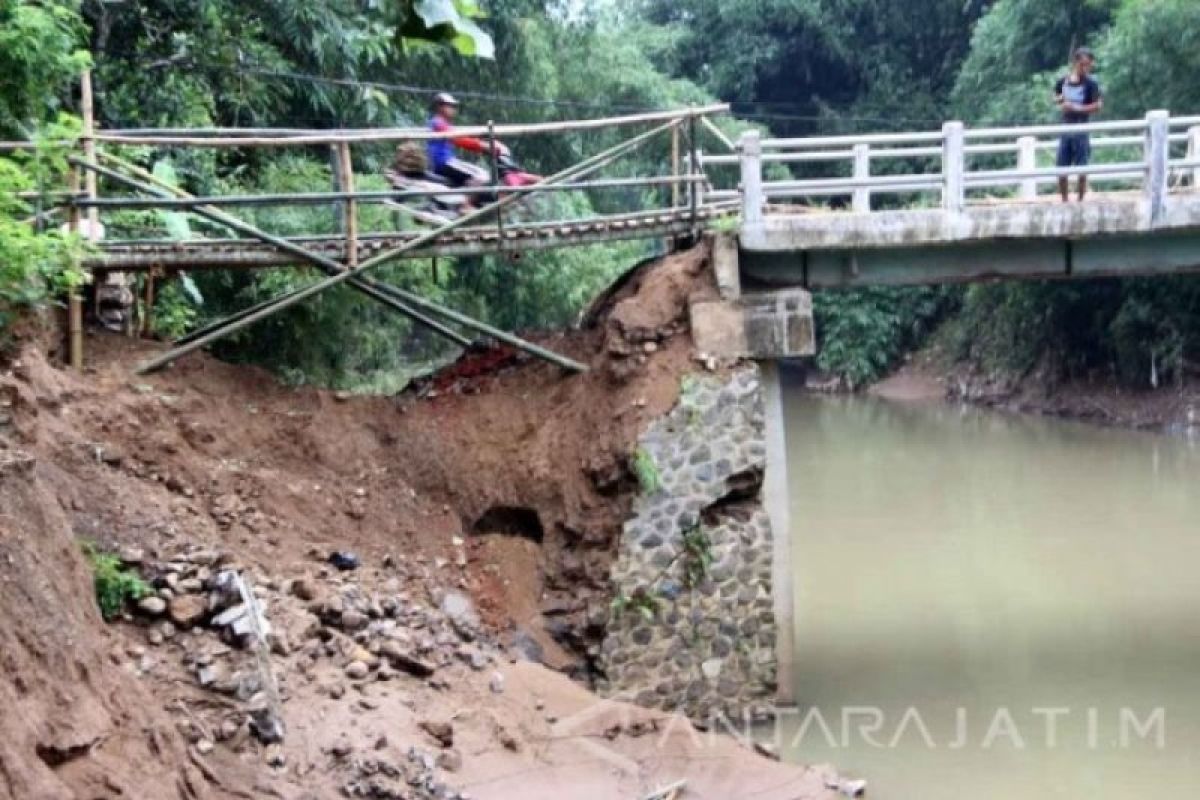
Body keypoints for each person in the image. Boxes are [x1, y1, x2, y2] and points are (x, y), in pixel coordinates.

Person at [426, 92, 507, 192]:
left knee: (476, 177)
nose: (453, 109)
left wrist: (482, 143)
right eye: (450, 106)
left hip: (446, 162)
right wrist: (483, 146)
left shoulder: (442, 124)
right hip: (445, 162)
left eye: (454, 106)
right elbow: (458, 139)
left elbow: (461, 136)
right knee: (481, 175)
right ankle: (466, 205)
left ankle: (465, 202)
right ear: (440, 107)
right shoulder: (438, 122)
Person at [1054, 48, 1104, 202]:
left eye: (1088, 65)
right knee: (1061, 166)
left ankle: (1080, 200)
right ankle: (1064, 200)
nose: (1085, 68)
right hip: (1066, 127)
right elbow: (1056, 95)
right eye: (1083, 65)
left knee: (1082, 167)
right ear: (1075, 63)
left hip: (1082, 127)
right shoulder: (1063, 81)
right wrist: (1060, 102)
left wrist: (1077, 108)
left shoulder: (1091, 84)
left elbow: (1098, 105)